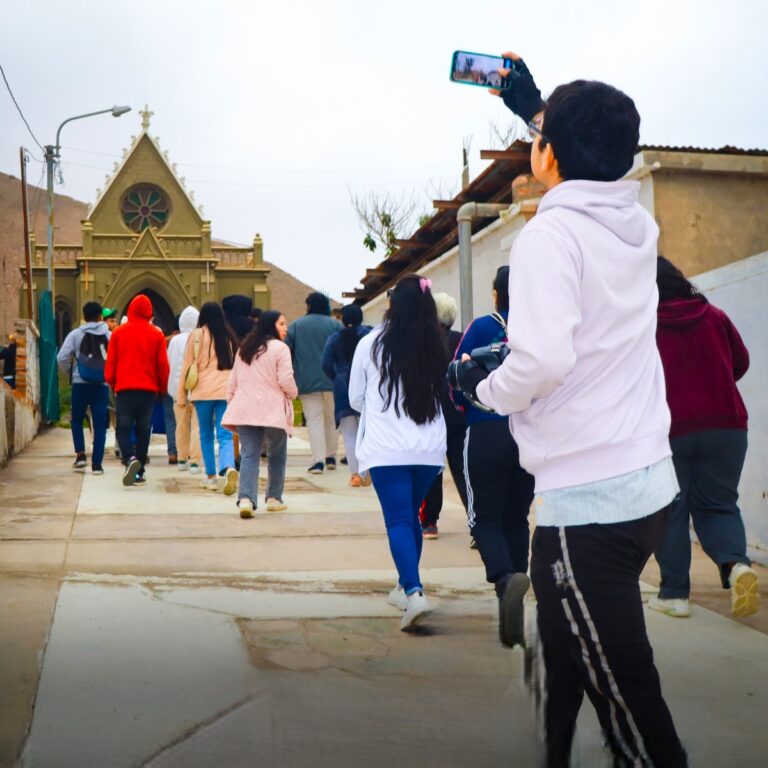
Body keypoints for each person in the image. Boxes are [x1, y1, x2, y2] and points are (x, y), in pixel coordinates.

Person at [454, 59, 688, 766]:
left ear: (549, 154)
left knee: (629, 699)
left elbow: (544, 362)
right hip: (642, 484)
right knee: (561, 648)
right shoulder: (631, 221)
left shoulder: (548, 238)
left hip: (589, 511)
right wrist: (535, 109)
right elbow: (594, 163)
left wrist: (483, 391)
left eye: (541, 137)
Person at [650, 256, 758, 619]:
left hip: (671, 430)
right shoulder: (715, 316)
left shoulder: (646, 326)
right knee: (719, 505)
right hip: (727, 428)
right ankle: (735, 565)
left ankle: (675, 595)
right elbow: (740, 363)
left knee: (670, 510)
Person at [349, 274, 447, 631]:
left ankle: (415, 591)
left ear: (394, 305)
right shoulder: (436, 344)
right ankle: (403, 587)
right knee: (410, 517)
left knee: (399, 521)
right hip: (428, 448)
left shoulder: (372, 343)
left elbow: (355, 398)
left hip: (387, 448)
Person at [450, 268, 534, 646]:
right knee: (517, 516)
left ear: (496, 294)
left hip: (486, 430)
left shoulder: (483, 326)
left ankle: (504, 580)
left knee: (483, 519)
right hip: (528, 434)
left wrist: (463, 406)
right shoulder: (539, 327)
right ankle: (517, 581)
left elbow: (454, 375)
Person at [222, 310, 298, 517]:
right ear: (271, 325)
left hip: (245, 408)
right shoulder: (280, 349)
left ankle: (246, 499)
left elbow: (232, 383)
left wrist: (234, 404)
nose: (285, 328)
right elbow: (286, 380)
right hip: (272, 410)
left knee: (249, 454)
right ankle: (273, 498)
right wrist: (293, 394)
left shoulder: (244, 349)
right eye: (282, 324)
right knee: (276, 455)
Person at [104, 295, 169, 486]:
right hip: (148, 390)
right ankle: (139, 471)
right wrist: (162, 388)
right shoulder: (157, 334)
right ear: (150, 312)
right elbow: (163, 366)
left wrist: (113, 382)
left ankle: (130, 459)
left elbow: (111, 363)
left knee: (123, 428)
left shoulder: (118, 333)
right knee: (143, 430)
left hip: (124, 388)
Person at [419, 292, 468, 538]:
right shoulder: (462, 340)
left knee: (432, 469)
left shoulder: (424, 343)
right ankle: (476, 523)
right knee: (464, 471)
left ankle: (429, 523)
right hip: (459, 415)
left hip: (432, 416)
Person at [178, 302, 238, 494]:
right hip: (225, 391)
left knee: (205, 434)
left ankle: (211, 477)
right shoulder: (229, 336)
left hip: (202, 392)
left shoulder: (197, 335)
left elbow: (187, 366)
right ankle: (228, 467)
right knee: (225, 435)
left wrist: (181, 396)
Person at [286, 292, 342, 474]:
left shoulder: (296, 326)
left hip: (307, 381)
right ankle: (331, 456)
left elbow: (287, 353)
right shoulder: (336, 325)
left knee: (314, 420)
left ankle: (318, 461)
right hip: (333, 380)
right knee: (331, 419)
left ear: (308, 306)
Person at [57, 301, 111, 474]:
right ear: (100, 316)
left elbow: (61, 357)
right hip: (101, 384)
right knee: (100, 424)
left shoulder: (75, 334)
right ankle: (97, 465)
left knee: (77, 419)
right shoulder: (109, 335)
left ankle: (80, 455)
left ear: (84, 316)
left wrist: (72, 373)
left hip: (80, 383)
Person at [321, 304, 371, 487]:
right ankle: (368, 472)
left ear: (342, 319)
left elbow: (325, 363)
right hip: (366, 386)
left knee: (349, 434)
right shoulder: (368, 335)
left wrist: (336, 378)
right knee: (367, 432)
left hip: (342, 386)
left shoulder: (334, 338)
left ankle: (355, 475)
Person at [167, 306, 202, 474]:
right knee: (197, 426)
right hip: (197, 388)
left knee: (180, 426)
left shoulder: (174, 340)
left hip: (177, 388)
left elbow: (170, 363)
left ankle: (182, 459)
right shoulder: (201, 338)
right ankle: (195, 462)